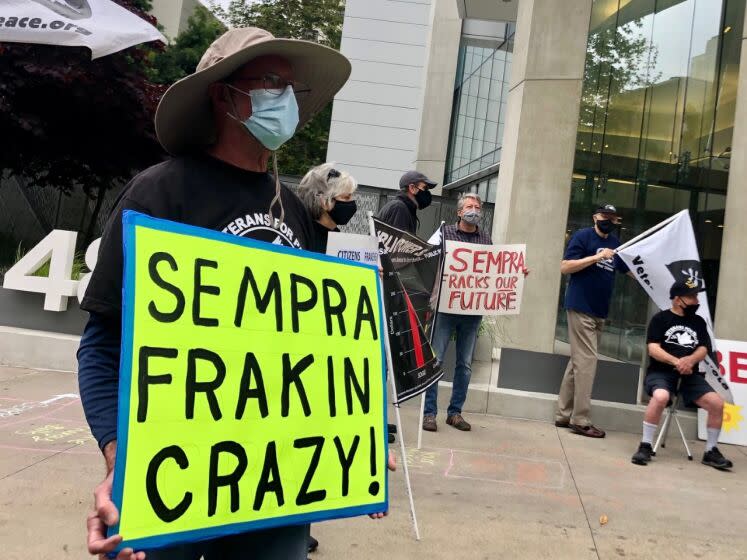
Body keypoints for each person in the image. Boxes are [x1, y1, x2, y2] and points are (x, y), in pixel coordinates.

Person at [76, 27, 382, 560]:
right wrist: (120, 459)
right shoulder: (157, 193)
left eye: (291, 89)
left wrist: (360, 445)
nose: (284, 98)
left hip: (274, 499)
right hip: (174, 488)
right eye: (269, 82)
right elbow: (101, 347)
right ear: (222, 94)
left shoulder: (298, 213)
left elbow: (315, 356)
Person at [631, 279, 733, 470]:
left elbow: (703, 348)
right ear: (678, 299)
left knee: (717, 403)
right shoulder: (660, 319)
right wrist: (677, 361)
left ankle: (711, 451)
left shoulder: (698, 321)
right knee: (661, 396)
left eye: (696, 296)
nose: (696, 301)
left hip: (690, 375)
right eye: (692, 296)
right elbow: (653, 349)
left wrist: (690, 360)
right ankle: (645, 445)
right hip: (662, 372)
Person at [555, 203, 630, 438]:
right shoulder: (582, 237)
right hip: (580, 306)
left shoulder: (616, 243)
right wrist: (595, 257)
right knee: (587, 361)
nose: (607, 220)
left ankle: (563, 413)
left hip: (600, 311)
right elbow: (565, 267)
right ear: (595, 217)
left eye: (612, 217)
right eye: (604, 216)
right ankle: (581, 419)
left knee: (578, 362)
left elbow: (629, 269)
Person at [422, 193, 492, 432]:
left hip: (472, 311)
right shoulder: (444, 234)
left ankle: (455, 413)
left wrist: (514, 274)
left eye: (477, 207)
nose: (474, 210)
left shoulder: (485, 239)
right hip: (446, 307)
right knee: (437, 359)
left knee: (465, 364)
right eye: (470, 206)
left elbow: (493, 271)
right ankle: (429, 413)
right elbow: (427, 259)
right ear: (460, 212)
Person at [297, 163, 358, 253]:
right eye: (346, 197)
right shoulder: (302, 240)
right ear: (324, 201)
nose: (352, 202)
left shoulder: (336, 238)